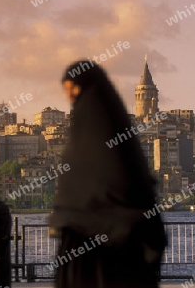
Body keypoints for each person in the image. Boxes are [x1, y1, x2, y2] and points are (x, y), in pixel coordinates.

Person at [50, 61, 167, 288]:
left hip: (86, 261)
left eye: (73, 89)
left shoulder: (81, 146)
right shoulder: (123, 146)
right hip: (124, 257)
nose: (70, 97)